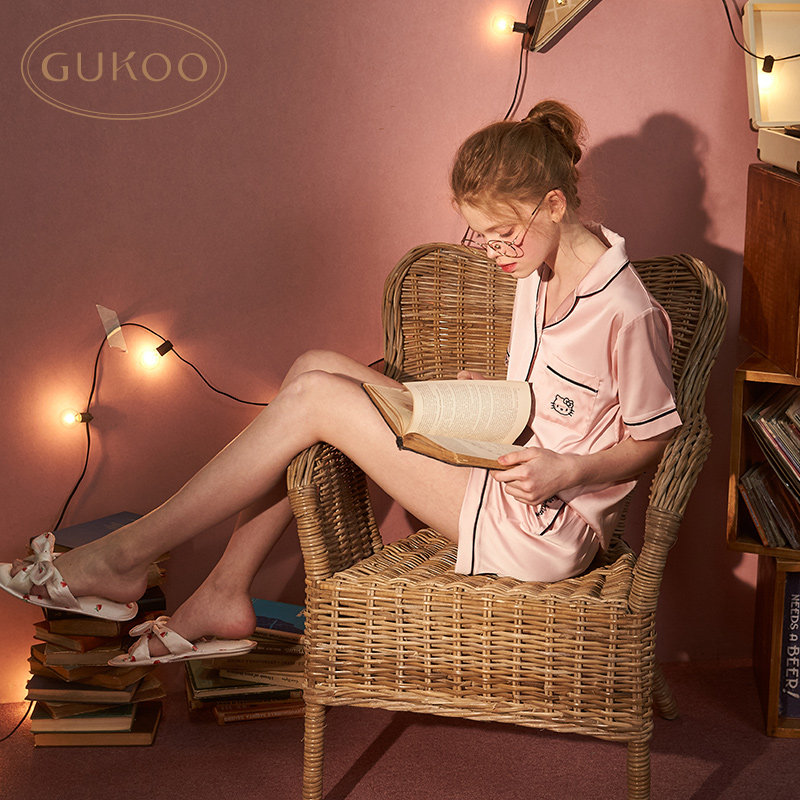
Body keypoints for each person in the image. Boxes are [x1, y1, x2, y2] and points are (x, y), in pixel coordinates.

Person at [1, 99, 680, 665]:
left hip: (542, 525)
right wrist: (488, 396)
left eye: (502, 234)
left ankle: (124, 557)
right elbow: (558, 396)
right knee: (312, 365)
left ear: (554, 205)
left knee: (314, 399)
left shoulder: (628, 310)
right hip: (499, 458)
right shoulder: (538, 266)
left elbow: (652, 440)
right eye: (481, 237)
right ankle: (223, 592)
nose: (494, 253)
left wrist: (567, 469)